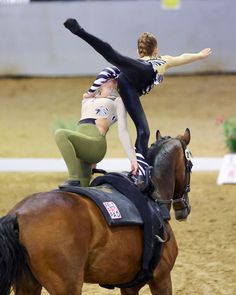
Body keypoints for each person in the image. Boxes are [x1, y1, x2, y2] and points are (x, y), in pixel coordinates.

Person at [63, 18, 212, 185]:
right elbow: (182, 57)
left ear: (138, 50)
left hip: (127, 85)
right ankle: (141, 172)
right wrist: (199, 56)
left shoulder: (141, 61)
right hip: (143, 73)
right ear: (156, 49)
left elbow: (111, 71)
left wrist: (92, 93)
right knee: (143, 131)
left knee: (114, 56)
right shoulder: (164, 59)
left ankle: (140, 173)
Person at [55, 79, 138, 187]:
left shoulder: (118, 101)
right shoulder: (88, 98)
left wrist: (133, 159)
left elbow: (123, 132)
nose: (109, 79)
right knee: (82, 190)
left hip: (95, 144)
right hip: (82, 145)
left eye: (113, 78)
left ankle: (73, 178)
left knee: (61, 134)